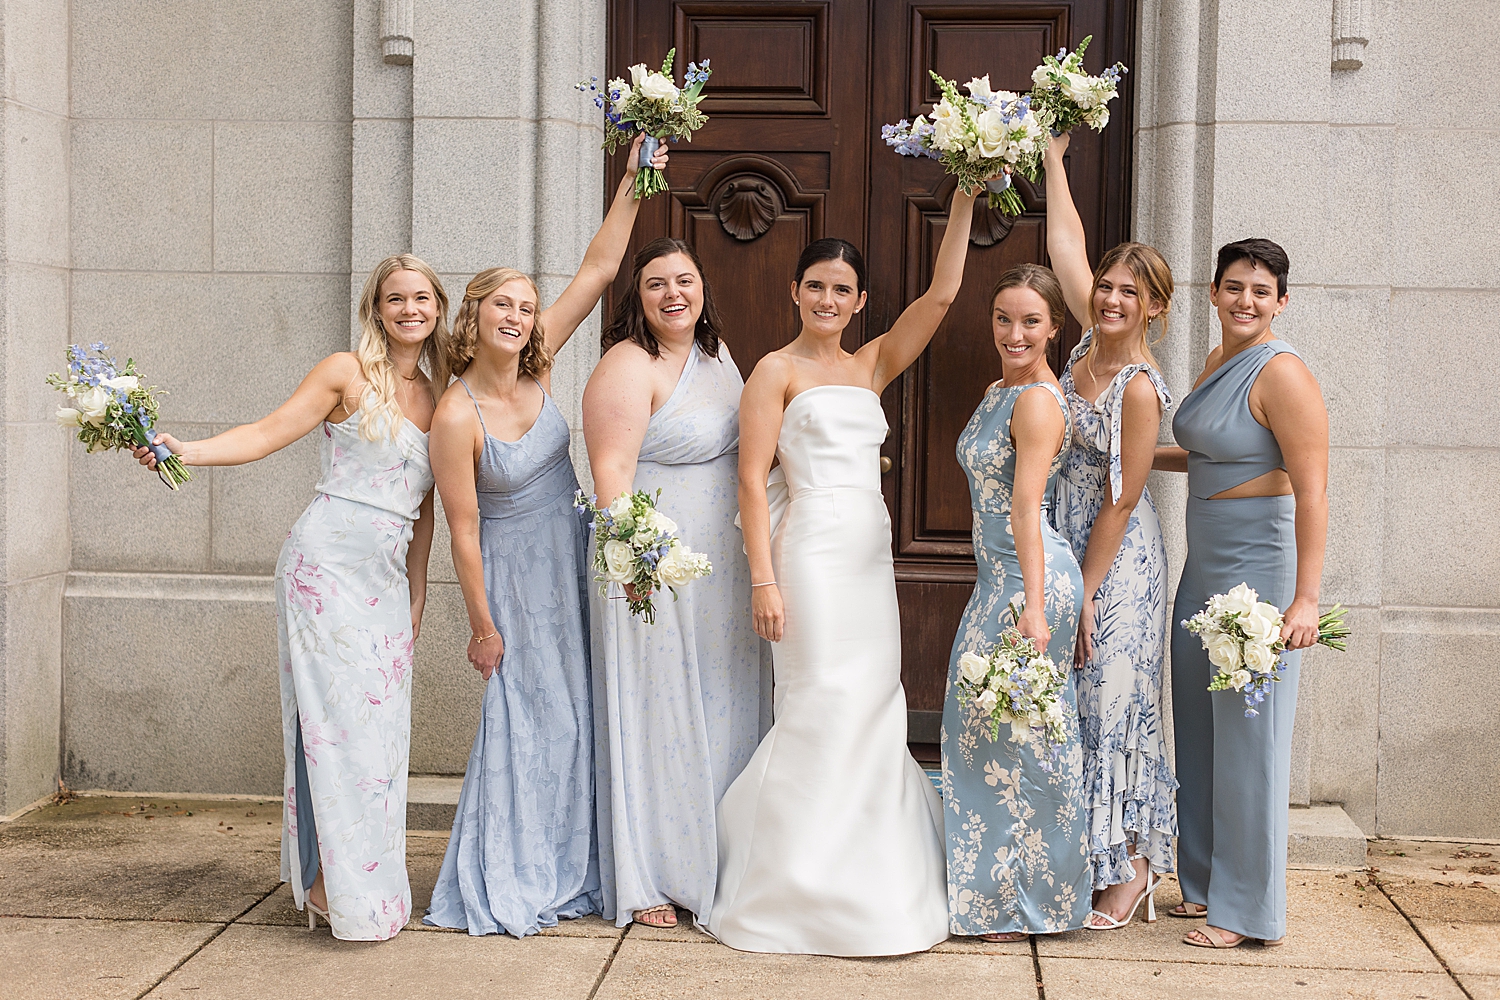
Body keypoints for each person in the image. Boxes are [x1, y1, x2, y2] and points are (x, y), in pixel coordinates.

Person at [132, 254, 450, 941]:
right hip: (325, 571)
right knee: (338, 728)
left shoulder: (441, 391)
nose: (409, 309)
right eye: (395, 298)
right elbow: (267, 432)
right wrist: (184, 449)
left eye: (421, 297)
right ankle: (326, 883)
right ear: (377, 309)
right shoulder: (346, 372)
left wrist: (417, 592)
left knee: (383, 736)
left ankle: (369, 882)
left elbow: (426, 511)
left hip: (386, 583)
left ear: (438, 308)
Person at [708, 184, 982, 957]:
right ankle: (792, 882)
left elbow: (943, 294)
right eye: (816, 286)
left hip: (869, 559)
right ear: (796, 291)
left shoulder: (870, 367)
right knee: (821, 696)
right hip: (811, 558)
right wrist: (763, 578)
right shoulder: (773, 372)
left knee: (870, 701)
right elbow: (750, 481)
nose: (828, 298)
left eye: (842, 289)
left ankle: (872, 872)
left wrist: (962, 195)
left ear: (860, 302)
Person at [423, 137, 667, 937]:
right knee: (530, 721)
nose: (520, 317)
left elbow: (598, 271)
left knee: (582, 715)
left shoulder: (541, 367)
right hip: (514, 577)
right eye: (505, 306)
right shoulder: (457, 413)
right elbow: (462, 530)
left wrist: (633, 178)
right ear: (475, 312)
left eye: (528, 307)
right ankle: (515, 869)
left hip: (575, 558)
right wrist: (483, 625)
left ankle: (576, 867)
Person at [582, 237, 761, 929]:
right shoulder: (627, 365)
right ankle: (651, 873)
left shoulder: (720, 359)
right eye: (656, 283)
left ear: (703, 286)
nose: (673, 294)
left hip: (722, 567)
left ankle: (712, 861)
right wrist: (636, 571)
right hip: (652, 573)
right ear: (638, 297)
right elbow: (611, 482)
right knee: (656, 714)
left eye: (685, 279)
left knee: (720, 708)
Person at [1154, 238, 1329, 948]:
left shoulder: (1283, 373)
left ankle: (1247, 912)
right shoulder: (1217, 360)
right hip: (1203, 565)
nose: (1245, 301)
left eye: (1260, 290)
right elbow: (1201, 455)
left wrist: (1306, 599)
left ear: (1281, 301)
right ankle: (1202, 883)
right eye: (1233, 287)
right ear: (1215, 293)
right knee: (1198, 727)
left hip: (1258, 572)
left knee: (1250, 740)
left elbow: (1313, 491)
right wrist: (1114, 450)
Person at [1042, 132, 1177, 928]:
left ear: (1156, 307)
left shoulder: (1137, 387)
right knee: (1076, 698)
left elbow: (1123, 501)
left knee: (1111, 696)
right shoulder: (1087, 347)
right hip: (1064, 528)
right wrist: (1055, 161)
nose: (1112, 300)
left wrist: (1084, 595)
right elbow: (1066, 247)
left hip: (1117, 556)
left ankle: (1131, 867)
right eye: (1109, 288)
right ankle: (1088, 853)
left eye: (1132, 294)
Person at [940, 263, 1090, 941]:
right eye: (1004, 317)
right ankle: (1002, 894)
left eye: (1031, 320)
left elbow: (1029, 505)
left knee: (1021, 741)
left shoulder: (1036, 400)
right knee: (987, 735)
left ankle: (1033, 901)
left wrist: (1033, 605)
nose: (1015, 332)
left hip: (1028, 582)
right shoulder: (999, 390)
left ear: (1056, 328)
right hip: (998, 580)